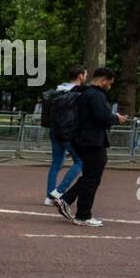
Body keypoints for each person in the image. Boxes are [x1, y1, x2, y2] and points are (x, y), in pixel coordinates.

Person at [53, 67, 129, 226]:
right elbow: (102, 116)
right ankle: (83, 215)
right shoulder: (96, 94)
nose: (110, 86)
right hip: (93, 141)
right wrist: (116, 118)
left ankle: (66, 200)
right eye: (110, 83)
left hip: (83, 140)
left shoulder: (85, 92)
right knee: (93, 178)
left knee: (89, 176)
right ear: (103, 80)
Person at [44, 65, 87, 204]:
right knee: (80, 161)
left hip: (54, 130)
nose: (86, 77)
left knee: (56, 163)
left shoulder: (57, 90)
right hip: (69, 132)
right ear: (80, 76)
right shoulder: (79, 93)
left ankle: (49, 196)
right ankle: (59, 191)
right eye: (85, 75)